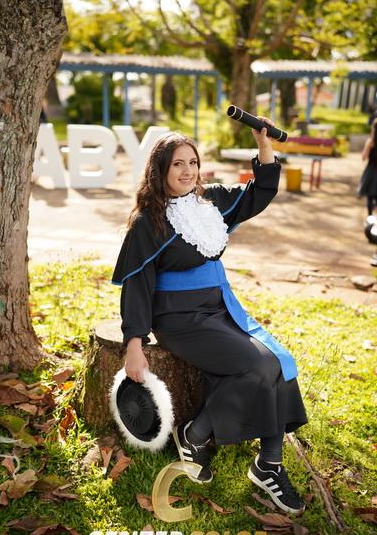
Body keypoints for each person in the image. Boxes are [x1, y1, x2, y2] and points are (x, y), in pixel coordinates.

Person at [112, 121, 308, 514]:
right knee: (255, 366)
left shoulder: (209, 203)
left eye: (193, 162)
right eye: (177, 164)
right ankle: (196, 434)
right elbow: (137, 285)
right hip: (179, 317)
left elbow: (260, 192)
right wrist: (134, 344)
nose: (187, 171)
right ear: (160, 170)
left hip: (219, 306)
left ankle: (268, 464)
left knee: (279, 361)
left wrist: (263, 144)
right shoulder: (148, 222)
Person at [359, 119, 377, 217]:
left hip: (371, 171)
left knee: (370, 197)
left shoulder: (370, 142)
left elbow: (364, 157)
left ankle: (370, 218)